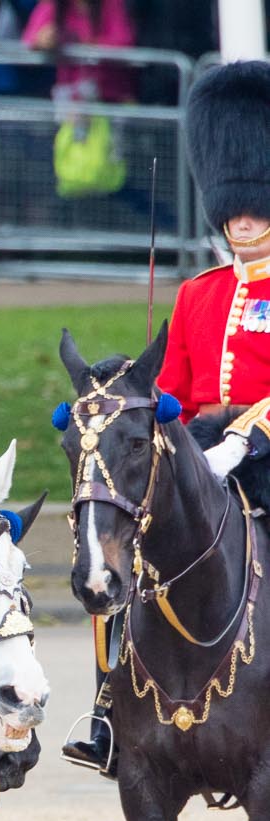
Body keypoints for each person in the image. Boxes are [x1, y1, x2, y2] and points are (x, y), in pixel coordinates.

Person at [68, 60, 270, 777]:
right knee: (123, 558)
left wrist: (246, 439)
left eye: (255, 207)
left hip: (266, 457)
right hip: (197, 455)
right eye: (234, 209)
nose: (242, 220)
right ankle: (108, 712)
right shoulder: (197, 293)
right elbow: (173, 392)